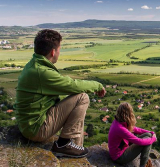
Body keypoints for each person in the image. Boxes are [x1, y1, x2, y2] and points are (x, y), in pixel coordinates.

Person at [15, 29, 106, 158]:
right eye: (59, 50)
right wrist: (97, 85)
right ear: (53, 52)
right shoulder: (41, 72)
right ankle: (64, 144)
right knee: (82, 98)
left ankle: (74, 147)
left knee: (76, 101)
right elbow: (73, 85)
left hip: (29, 124)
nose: (59, 52)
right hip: (36, 129)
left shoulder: (33, 65)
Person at [108, 102, 158, 167]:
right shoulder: (120, 128)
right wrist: (153, 139)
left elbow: (135, 129)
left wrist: (151, 132)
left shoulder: (118, 121)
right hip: (119, 157)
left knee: (148, 135)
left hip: (122, 149)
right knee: (147, 141)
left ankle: (147, 163)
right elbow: (139, 141)